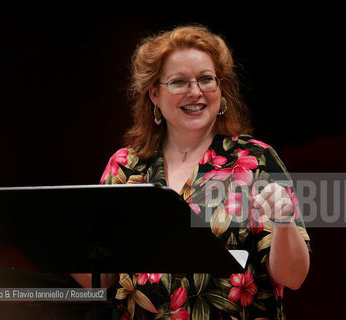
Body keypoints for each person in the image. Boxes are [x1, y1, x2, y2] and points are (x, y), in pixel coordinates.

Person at [73, 24, 310, 320]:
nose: (195, 92)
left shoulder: (254, 159)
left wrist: (284, 222)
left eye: (206, 79)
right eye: (179, 82)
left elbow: (294, 278)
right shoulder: (125, 166)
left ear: (221, 89)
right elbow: (102, 279)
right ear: (154, 94)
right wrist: (61, 242)